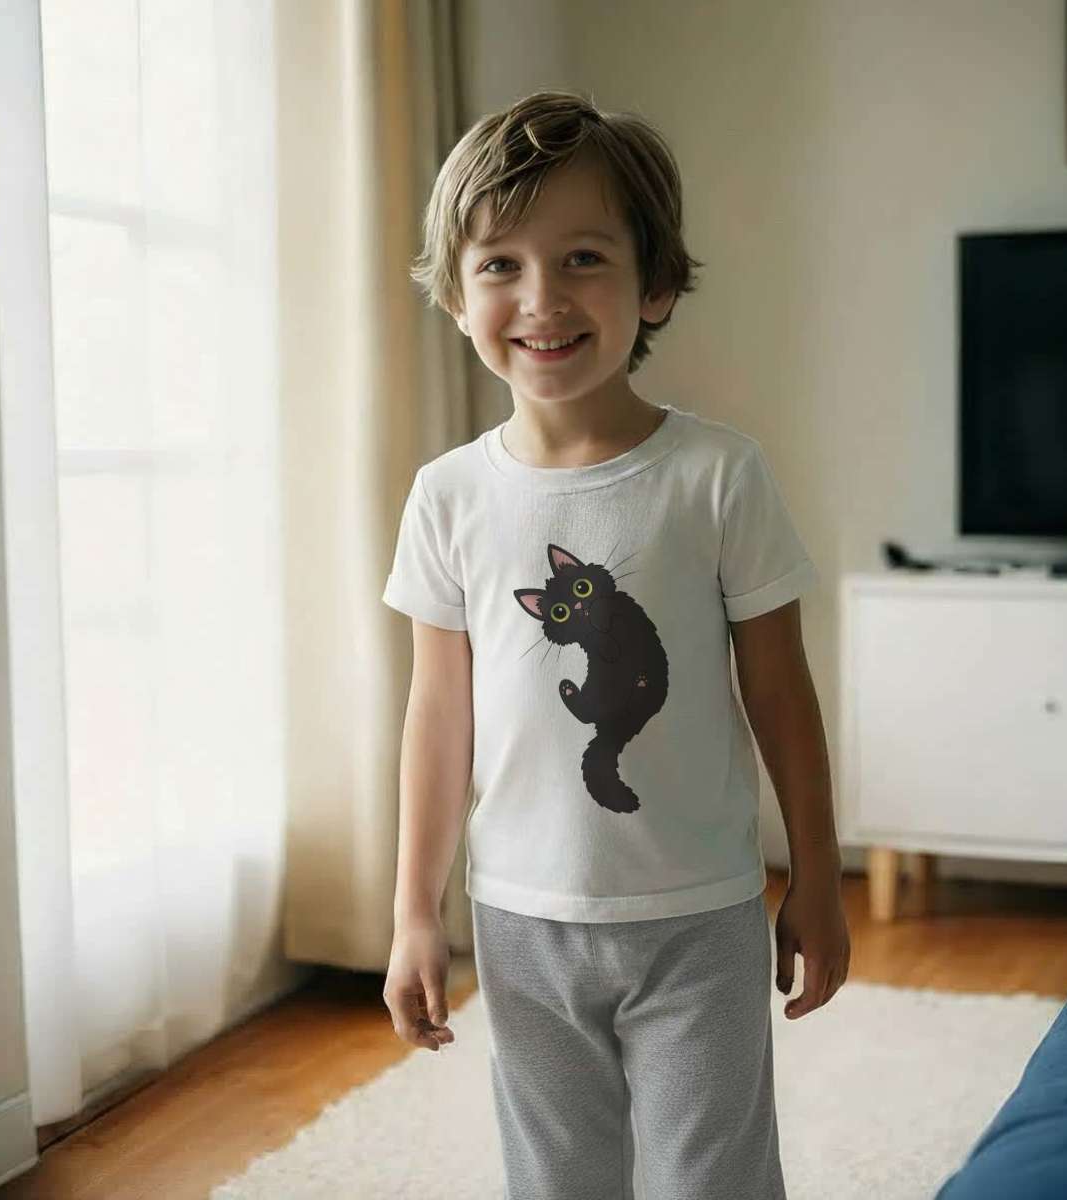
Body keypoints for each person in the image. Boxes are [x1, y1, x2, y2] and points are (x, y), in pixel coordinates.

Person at [380, 88, 850, 1200]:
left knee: (712, 1179)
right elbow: (438, 716)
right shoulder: (448, 496)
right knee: (559, 1180)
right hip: (520, 919)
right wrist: (412, 913)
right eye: (500, 264)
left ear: (656, 286)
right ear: (456, 295)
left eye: (583, 258)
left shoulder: (717, 475)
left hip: (700, 915)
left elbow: (779, 691)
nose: (542, 297)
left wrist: (820, 877)